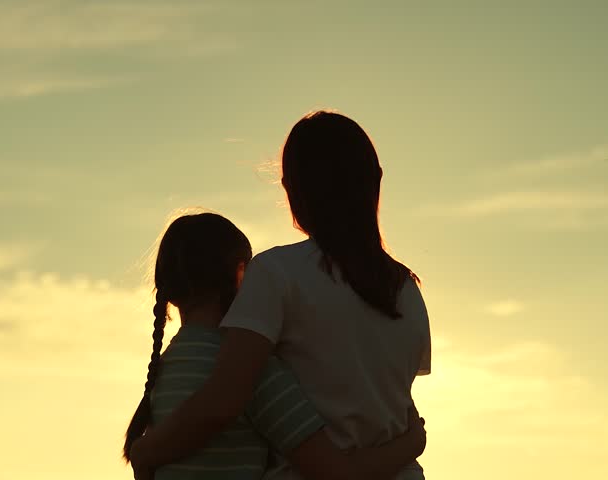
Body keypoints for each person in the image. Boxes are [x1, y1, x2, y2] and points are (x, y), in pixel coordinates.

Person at [129, 112, 432, 480]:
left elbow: (223, 402)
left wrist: (146, 450)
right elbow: (390, 405)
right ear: (376, 181)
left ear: (292, 188)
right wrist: (414, 443)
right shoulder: (408, 291)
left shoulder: (276, 273)